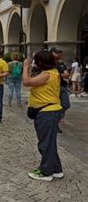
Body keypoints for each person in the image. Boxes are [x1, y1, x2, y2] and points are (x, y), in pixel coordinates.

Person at [23, 50, 64, 181]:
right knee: (49, 142)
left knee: (45, 143)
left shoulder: (47, 74)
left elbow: (26, 82)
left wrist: (25, 67)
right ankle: (56, 169)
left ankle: (46, 172)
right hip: (49, 110)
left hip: (47, 112)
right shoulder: (53, 72)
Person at [50, 48, 70, 132]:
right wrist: (60, 75)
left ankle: (56, 119)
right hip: (53, 87)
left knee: (66, 104)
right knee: (54, 105)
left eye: (60, 53)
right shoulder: (48, 63)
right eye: (57, 53)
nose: (59, 55)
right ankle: (55, 124)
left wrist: (58, 75)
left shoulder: (61, 63)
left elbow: (67, 75)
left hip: (62, 86)